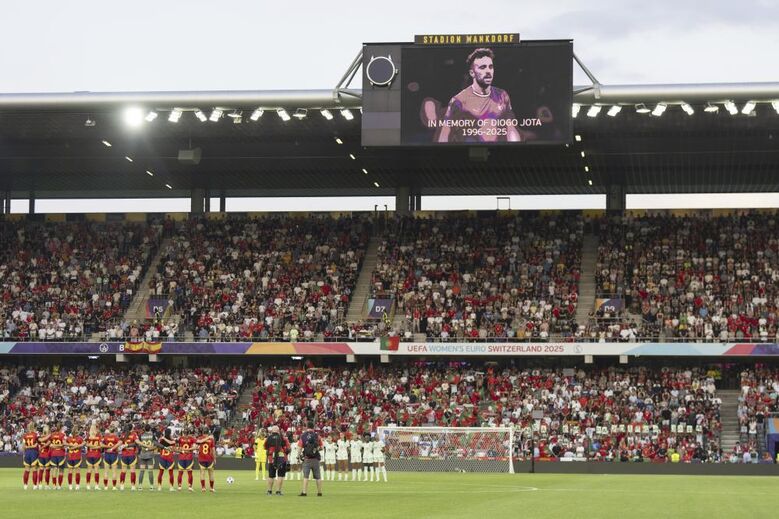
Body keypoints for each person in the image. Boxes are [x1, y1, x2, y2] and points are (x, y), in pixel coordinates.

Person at [436, 48, 521, 144]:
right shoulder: (458, 101)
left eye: (490, 67)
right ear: (472, 73)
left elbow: (511, 129)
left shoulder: (502, 95)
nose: (488, 71)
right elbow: (444, 136)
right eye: (483, 67)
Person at [298, 422, 323, 497]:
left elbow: (299, 447)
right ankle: (319, 492)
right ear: (313, 427)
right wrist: (315, 449)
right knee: (318, 477)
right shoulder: (317, 436)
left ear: (307, 427)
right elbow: (321, 447)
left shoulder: (303, 436)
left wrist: (298, 456)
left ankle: (304, 492)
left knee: (306, 476)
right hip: (315, 459)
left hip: (307, 458)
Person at [264, 425, 290, 496]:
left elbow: (265, 447)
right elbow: (288, 449)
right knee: (280, 475)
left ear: (272, 431)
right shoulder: (283, 438)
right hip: (281, 458)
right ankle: (278, 491)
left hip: (271, 458)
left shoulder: (268, 438)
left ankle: (269, 491)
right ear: (278, 431)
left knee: (271, 475)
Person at [196, 427, 216, 493]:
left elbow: (198, 442)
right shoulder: (211, 439)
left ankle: (203, 488)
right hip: (209, 458)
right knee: (211, 474)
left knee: (202, 473)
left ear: (202, 432)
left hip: (201, 458)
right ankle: (212, 488)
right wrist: (215, 458)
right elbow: (213, 450)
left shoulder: (200, 438)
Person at [119, 426, 139, 490]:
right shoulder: (134, 434)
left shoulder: (123, 435)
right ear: (131, 429)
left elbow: (120, 444)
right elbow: (136, 443)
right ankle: (133, 486)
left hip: (124, 454)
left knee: (123, 470)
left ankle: (122, 485)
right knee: (132, 470)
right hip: (131, 454)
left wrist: (123, 447)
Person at [177, 426, 197, 492]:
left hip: (181, 457)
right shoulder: (192, 439)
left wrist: (182, 450)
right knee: (190, 472)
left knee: (180, 472)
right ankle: (190, 487)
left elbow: (178, 448)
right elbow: (195, 447)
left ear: (183, 432)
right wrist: (188, 449)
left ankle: (179, 486)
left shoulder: (180, 438)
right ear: (189, 433)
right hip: (189, 457)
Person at [156, 428, 177, 492]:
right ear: (170, 433)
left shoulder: (162, 439)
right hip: (169, 457)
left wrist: (163, 438)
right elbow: (173, 443)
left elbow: (157, 444)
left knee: (161, 472)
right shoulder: (171, 439)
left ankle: (159, 487)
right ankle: (171, 487)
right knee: (171, 473)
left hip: (162, 457)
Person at [101, 426, 121, 490]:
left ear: (109, 430)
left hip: (106, 454)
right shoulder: (116, 437)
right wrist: (113, 448)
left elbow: (101, 444)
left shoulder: (106, 437)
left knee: (106, 472)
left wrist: (106, 447)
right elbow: (120, 442)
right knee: (114, 472)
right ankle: (114, 487)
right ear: (114, 431)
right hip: (113, 455)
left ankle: (106, 486)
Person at [48, 423, 67, 490]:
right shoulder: (63, 435)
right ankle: (59, 486)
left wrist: (54, 446)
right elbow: (64, 444)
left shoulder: (52, 435)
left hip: (53, 454)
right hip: (60, 454)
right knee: (61, 470)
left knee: (54, 470)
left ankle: (54, 485)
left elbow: (50, 445)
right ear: (61, 428)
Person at [138, 425, 156, 491]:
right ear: (150, 429)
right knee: (150, 471)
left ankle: (140, 486)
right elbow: (155, 445)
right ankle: (151, 486)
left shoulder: (141, 435)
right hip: (150, 455)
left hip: (142, 454)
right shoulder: (152, 435)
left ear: (144, 429)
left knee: (142, 471)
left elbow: (139, 445)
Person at [84, 424, 102, 490]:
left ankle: (88, 485)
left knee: (89, 470)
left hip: (89, 454)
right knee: (96, 471)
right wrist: (95, 447)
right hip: (96, 454)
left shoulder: (88, 436)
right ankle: (96, 486)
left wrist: (91, 446)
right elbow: (100, 446)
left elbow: (85, 444)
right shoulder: (99, 436)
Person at [21, 424, 39, 490]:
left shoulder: (25, 435)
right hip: (33, 453)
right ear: (33, 427)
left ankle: (25, 485)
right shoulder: (36, 435)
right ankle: (34, 485)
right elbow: (36, 445)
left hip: (27, 453)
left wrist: (24, 454)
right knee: (34, 469)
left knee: (26, 470)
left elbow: (23, 447)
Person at [37, 425, 51, 490]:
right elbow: (48, 443)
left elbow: (41, 440)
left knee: (41, 470)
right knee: (47, 470)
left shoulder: (39, 437)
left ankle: (40, 485)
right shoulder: (49, 437)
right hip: (47, 455)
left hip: (41, 455)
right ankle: (47, 485)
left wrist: (41, 447)